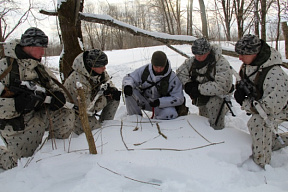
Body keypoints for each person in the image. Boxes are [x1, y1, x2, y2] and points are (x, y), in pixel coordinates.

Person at [0, 27, 74, 170]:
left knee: (66, 113)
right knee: (20, 165)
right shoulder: (4, 67)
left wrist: (58, 97)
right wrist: (16, 104)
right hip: (16, 122)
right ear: (28, 46)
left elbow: (55, 87)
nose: (43, 52)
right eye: (40, 48)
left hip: (39, 114)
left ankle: (55, 153)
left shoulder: (38, 67)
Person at [234, 34, 288, 168]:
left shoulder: (275, 73)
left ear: (255, 53)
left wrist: (245, 104)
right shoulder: (247, 66)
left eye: (243, 54)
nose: (239, 58)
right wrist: (239, 92)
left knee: (259, 122)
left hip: (281, 108)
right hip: (264, 105)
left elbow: (268, 109)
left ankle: (262, 163)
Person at [176, 38, 233, 130]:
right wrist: (188, 85)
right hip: (201, 97)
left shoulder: (220, 62)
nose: (198, 57)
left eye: (201, 54)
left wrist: (199, 88)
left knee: (214, 108)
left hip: (218, 96)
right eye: (196, 54)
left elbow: (223, 86)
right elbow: (180, 73)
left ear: (208, 52)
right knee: (204, 120)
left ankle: (218, 132)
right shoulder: (191, 62)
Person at [64, 49, 121, 135]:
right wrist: (105, 98)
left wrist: (112, 90)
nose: (104, 68)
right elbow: (87, 110)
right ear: (92, 66)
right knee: (96, 133)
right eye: (102, 65)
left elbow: (108, 82)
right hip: (74, 112)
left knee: (115, 96)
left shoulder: (99, 72)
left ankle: (106, 124)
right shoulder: (79, 80)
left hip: (90, 103)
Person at [122, 51, 186, 120]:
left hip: (161, 105)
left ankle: (157, 123)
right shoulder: (144, 70)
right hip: (145, 101)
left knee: (170, 114)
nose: (158, 70)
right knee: (129, 92)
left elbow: (179, 98)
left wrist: (160, 102)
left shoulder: (172, 78)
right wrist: (128, 86)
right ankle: (135, 118)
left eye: (161, 67)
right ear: (152, 64)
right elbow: (129, 78)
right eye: (156, 67)